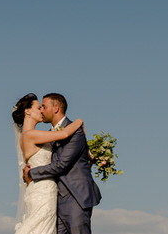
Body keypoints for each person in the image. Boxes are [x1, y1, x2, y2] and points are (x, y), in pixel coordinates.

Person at [23, 93, 101, 234]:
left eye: (44, 107)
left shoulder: (75, 130)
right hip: (54, 201)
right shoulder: (49, 134)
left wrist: (31, 173)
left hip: (76, 197)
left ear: (56, 108)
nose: (41, 110)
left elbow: (62, 164)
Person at [12, 93, 85, 234]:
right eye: (39, 107)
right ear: (28, 111)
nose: (42, 111)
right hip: (42, 192)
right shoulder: (29, 135)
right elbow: (64, 134)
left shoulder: (35, 135)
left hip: (42, 190)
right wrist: (79, 121)